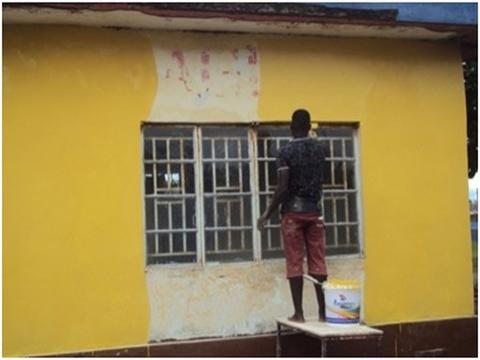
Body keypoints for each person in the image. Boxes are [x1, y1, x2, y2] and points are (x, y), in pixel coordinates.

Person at [257, 109, 328, 323]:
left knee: (295, 262)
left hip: (293, 213)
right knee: (318, 261)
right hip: (315, 212)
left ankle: (299, 313)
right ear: (308, 126)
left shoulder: (285, 152)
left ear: (292, 126)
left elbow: (282, 187)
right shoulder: (320, 150)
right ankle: (323, 312)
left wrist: (267, 213)